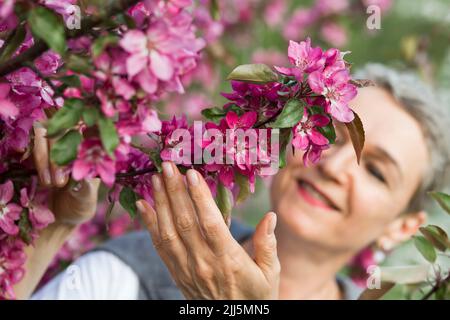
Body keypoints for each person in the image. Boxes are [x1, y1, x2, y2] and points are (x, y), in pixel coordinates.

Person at [25, 64, 450, 300]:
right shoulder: (133, 272)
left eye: (376, 171)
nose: (334, 167)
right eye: (326, 136)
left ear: (404, 226)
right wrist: (51, 228)